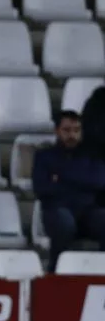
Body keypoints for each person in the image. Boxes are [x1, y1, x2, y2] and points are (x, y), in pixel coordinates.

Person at [32, 110, 105, 273]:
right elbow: (41, 188)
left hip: (87, 212)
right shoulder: (44, 156)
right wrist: (82, 180)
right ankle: (56, 272)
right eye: (67, 130)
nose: (72, 135)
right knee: (64, 223)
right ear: (57, 131)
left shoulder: (93, 155)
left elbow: (99, 182)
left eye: (76, 130)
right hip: (56, 210)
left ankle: (101, 272)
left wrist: (61, 176)